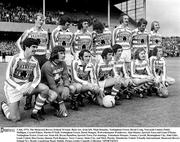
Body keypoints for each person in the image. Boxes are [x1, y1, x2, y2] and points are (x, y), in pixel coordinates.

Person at [1, 38, 50, 122]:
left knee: (45, 89)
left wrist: (32, 86)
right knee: (15, 118)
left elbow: (37, 77)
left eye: (36, 47)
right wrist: (19, 88)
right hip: (12, 88)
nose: (35, 49)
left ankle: (35, 112)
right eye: (33, 47)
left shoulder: (35, 61)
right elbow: (8, 77)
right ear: (26, 47)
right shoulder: (15, 58)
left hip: (26, 86)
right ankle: (4, 106)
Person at [16, 13, 50, 110]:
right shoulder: (29, 31)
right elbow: (18, 42)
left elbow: (46, 44)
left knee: (42, 80)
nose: (41, 22)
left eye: (42, 20)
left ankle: (38, 102)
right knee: (31, 79)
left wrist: (47, 52)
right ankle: (28, 102)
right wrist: (23, 53)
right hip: (33, 58)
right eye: (39, 19)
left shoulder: (45, 32)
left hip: (43, 58)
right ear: (34, 20)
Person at [41, 46, 79, 116]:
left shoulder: (63, 63)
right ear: (55, 54)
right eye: (61, 53)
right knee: (53, 96)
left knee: (72, 88)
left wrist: (66, 87)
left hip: (56, 86)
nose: (64, 55)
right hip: (46, 89)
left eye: (64, 53)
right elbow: (52, 85)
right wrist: (61, 102)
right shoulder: (47, 66)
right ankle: (40, 105)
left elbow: (66, 77)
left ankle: (56, 102)